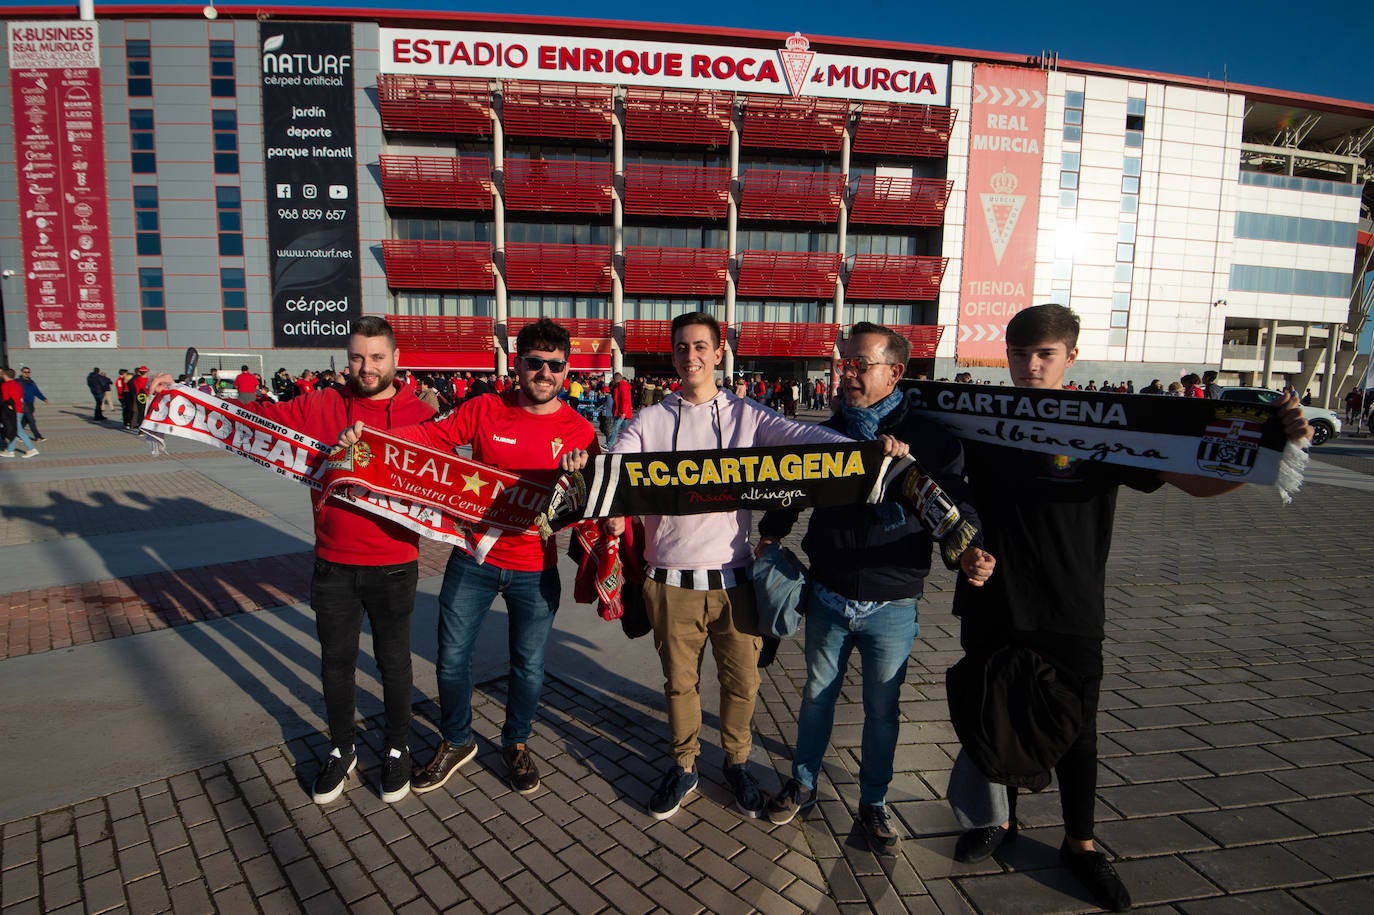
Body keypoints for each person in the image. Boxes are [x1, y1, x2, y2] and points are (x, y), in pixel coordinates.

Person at [945, 304, 1310, 912]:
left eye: (1045, 355)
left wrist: (1268, 443)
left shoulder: (1103, 428)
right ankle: (995, 821)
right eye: (1018, 355)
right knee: (993, 708)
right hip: (993, 596)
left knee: (1078, 729)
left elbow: (1195, 479)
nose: (1030, 367)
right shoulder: (981, 422)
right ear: (1002, 356)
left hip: (1071, 603)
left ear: (1071, 357)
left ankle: (1079, 842)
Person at [604, 313, 900, 822]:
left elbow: (801, 437)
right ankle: (685, 765)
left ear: (718, 354)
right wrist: (603, 499)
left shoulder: (747, 415)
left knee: (742, 684)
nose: (690, 356)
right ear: (672, 356)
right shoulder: (649, 420)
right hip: (669, 583)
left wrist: (868, 453)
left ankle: (737, 762)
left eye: (700, 346)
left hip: (734, 578)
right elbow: (616, 463)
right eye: (681, 348)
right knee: (680, 685)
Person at [148, 318, 435, 804]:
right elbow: (257, 416)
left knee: (394, 663)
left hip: (395, 561)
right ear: (348, 359)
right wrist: (185, 396)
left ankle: (396, 748)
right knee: (336, 664)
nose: (366, 368)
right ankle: (341, 749)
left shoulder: (420, 414)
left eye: (377, 358)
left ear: (396, 360)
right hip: (333, 562)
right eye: (358, 358)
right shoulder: (322, 403)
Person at [757, 323, 994, 855]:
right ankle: (804, 782)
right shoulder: (827, 430)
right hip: (828, 592)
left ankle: (874, 803)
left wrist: (970, 548)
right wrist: (769, 533)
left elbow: (962, 512)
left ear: (895, 372)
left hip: (894, 600)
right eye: (843, 364)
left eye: (859, 365)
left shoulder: (931, 439)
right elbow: (793, 488)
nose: (846, 375)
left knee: (882, 709)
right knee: (817, 698)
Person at [341, 318, 598, 798]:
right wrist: (370, 442)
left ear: (567, 371)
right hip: (474, 557)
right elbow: (427, 438)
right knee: (452, 660)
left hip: (535, 568)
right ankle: (457, 741)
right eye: (535, 362)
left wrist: (578, 479)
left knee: (529, 666)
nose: (544, 372)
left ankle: (516, 742)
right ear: (517, 364)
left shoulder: (581, 431)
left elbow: (591, 508)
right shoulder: (484, 408)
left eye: (554, 365)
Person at [1, 368, 39, 458]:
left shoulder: (5, 385)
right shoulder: (17, 384)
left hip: (12, 411)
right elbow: (20, 397)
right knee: (15, 431)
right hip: (19, 410)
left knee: (19, 431)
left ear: (5, 375)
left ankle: (31, 449)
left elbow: (6, 399)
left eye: (3, 375)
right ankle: (10, 451)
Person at [16, 367, 48, 442]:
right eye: (25, 372)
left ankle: (16, 434)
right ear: (21, 372)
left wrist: (43, 398)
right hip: (23, 404)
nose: (27, 373)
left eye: (28, 372)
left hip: (30, 404)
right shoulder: (18, 381)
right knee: (31, 420)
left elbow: (36, 391)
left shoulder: (31, 382)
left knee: (25, 420)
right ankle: (37, 436)